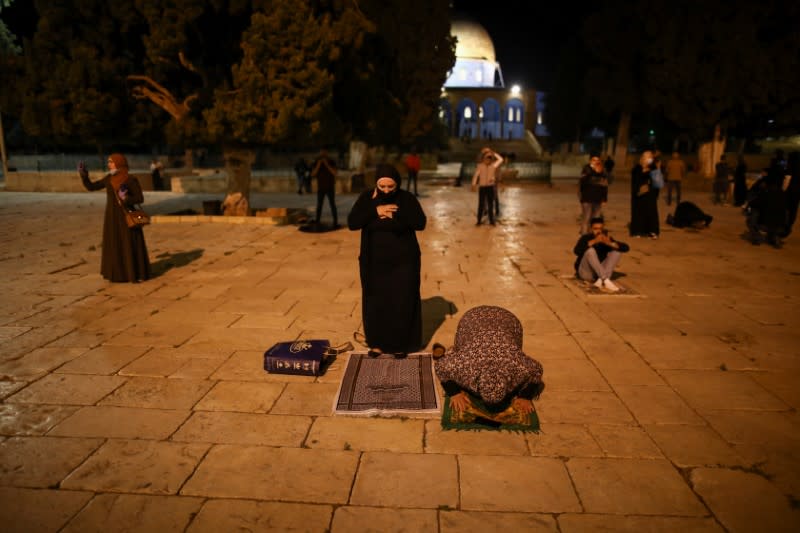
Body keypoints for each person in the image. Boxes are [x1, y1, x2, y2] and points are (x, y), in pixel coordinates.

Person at [347, 163, 427, 358]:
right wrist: (376, 211)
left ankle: (400, 345)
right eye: (382, 187)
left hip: (403, 263)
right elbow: (353, 222)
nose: (386, 190)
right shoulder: (367, 198)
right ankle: (377, 344)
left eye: (391, 187)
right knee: (375, 302)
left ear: (397, 184)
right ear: (376, 184)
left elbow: (420, 223)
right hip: (373, 263)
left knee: (401, 302)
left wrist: (396, 213)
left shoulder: (406, 198)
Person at [433, 305, 544, 414]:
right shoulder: (465, 364)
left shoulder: (516, 365)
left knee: (457, 355)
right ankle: (453, 351)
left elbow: (537, 370)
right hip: (472, 320)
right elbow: (440, 366)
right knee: (459, 350)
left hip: (508, 321)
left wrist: (525, 396)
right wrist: (454, 392)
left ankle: (451, 352)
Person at [78, 153, 151, 283]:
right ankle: (118, 274)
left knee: (128, 245)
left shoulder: (130, 179)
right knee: (115, 245)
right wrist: (84, 176)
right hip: (112, 218)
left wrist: (126, 199)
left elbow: (140, 198)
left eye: (111, 162)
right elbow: (92, 187)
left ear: (119, 163)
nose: (109, 164)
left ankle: (133, 273)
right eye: (109, 162)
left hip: (125, 217)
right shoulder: (109, 179)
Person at [573, 216, 629, 292]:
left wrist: (610, 243)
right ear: (591, 229)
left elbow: (626, 248)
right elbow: (576, 251)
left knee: (616, 251)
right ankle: (605, 279)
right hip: (586, 272)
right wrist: (594, 241)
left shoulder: (605, 238)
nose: (598, 231)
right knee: (590, 251)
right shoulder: (586, 238)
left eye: (600, 229)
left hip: (598, 273)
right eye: (595, 229)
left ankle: (601, 280)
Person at [629, 150, 660, 239]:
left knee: (651, 213)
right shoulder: (637, 168)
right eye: (647, 157)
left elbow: (658, 183)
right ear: (643, 158)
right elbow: (635, 181)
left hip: (650, 195)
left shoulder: (654, 168)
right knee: (638, 213)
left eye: (650, 157)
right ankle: (637, 231)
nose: (649, 158)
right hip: (639, 195)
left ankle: (652, 231)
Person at [578, 152, 609, 235]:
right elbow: (583, 182)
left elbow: (605, 185)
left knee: (596, 217)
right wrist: (593, 171)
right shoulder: (586, 169)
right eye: (593, 160)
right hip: (587, 197)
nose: (596, 162)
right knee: (586, 217)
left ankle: (593, 233)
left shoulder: (603, 171)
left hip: (598, 198)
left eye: (597, 160)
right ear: (590, 161)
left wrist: (605, 198)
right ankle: (584, 233)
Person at [472, 147, 503, 225]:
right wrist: (473, 184)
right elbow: (476, 176)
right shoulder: (480, 166)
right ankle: (479, 221)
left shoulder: (493, 166)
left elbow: (500, 159)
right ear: (483, 158)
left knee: (490, 205)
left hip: (490, 187)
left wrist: (493, 152)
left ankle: (491, 221)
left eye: (490, 158)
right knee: (481, 204)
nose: (488, 159)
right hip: (482, 187)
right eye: (487, 157)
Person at [311, 148, 338, 227]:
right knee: (319, 205)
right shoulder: (316, 161)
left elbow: (335, 173)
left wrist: (327, 164)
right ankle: (317, 220)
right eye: (321, 152)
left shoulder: (331, 161)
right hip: (321, 188)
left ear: (327, 152)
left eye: (324, 151)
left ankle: (335, 221)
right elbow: (313, 174)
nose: (323, 153)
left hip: (330, 187)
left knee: (332, 204)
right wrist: (319, 165)